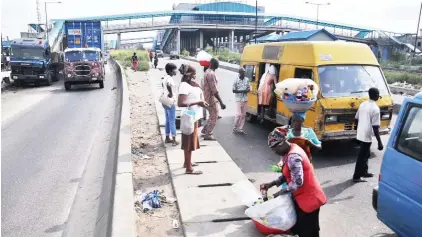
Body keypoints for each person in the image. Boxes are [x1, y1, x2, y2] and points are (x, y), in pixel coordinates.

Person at [261, 127, 326, 237]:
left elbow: (297, 182)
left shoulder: (293, 156)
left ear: (281, 143)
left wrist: (279, 193)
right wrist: (272, 184)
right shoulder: (291, 149)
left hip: (309, 199)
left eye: (274, 148)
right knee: (302, 228)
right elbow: (288, 174)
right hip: (302, 198)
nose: (274, 152)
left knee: (308, 231)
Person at [177, 64, 208, 175]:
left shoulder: (191, 85)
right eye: (194, 74)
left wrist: (198, 86)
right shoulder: (184, 86)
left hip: (194, 116)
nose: (195, 76)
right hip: (189, 117)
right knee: (188, 143)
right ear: (189, 75)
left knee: (190, 142)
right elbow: (180, 103)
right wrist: (198, 102)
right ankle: (189, 168)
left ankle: (187, 163)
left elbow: (200, 97)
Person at [352, 87, 384, 182]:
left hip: (361, 132)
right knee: (362, 156)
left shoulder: (363, 104)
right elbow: (375, 127)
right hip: (366, 135)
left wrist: (358, 129)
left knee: (366, 154)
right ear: (377, 96)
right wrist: (379, 142)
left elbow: (356, 119)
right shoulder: (375, 108)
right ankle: (356, 176)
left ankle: (364, 172)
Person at [201, 58, 226, 140]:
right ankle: (208, 134)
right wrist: (221, 102)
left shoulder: (207, 72)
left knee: (212, 115)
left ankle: (205, 130)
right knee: (214, 116)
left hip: (207, 97)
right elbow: (214, 90)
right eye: (216, 63)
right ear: (212, 64)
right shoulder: (211, 74)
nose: (218, 64)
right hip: (211, 98)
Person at [162, 63, 179, 146]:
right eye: (174, 69)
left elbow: (163, 85)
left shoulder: (165, 78)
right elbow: (168, 85)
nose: (176, 71)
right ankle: (174, 139)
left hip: (164, 100)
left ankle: (167, 137)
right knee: (172, 120)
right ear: (170, 71)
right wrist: (171, 93)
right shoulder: (170, 79)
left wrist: (167, 92)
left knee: (168, 120)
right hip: (170, 100)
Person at [232, 67, 250, 135]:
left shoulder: (247, 80)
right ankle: (235, 128)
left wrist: (248, 90)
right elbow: (233, 90)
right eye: (243, 72)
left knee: (243, 115)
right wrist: (242, 91)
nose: (244, 73)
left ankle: (240, 129)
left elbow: (249, 88)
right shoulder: (236, 80)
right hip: (238, 99)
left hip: (245, 99)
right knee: (238, 114)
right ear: (240, 73)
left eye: (245, 72)